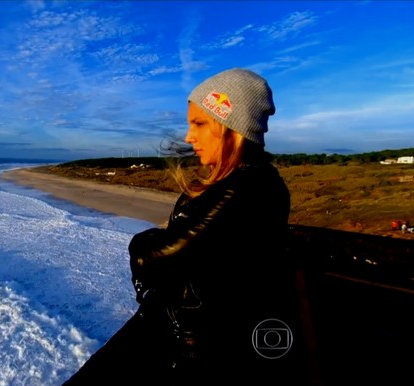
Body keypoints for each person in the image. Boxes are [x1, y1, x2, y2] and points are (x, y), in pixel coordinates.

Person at [63, 68, 310, 385]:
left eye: (199, 123)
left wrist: (140, 243)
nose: (190, 136)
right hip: (172, 332)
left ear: (230, 128)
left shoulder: (248, 188)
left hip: (193, 354)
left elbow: (156, 259)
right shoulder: (232, 185)